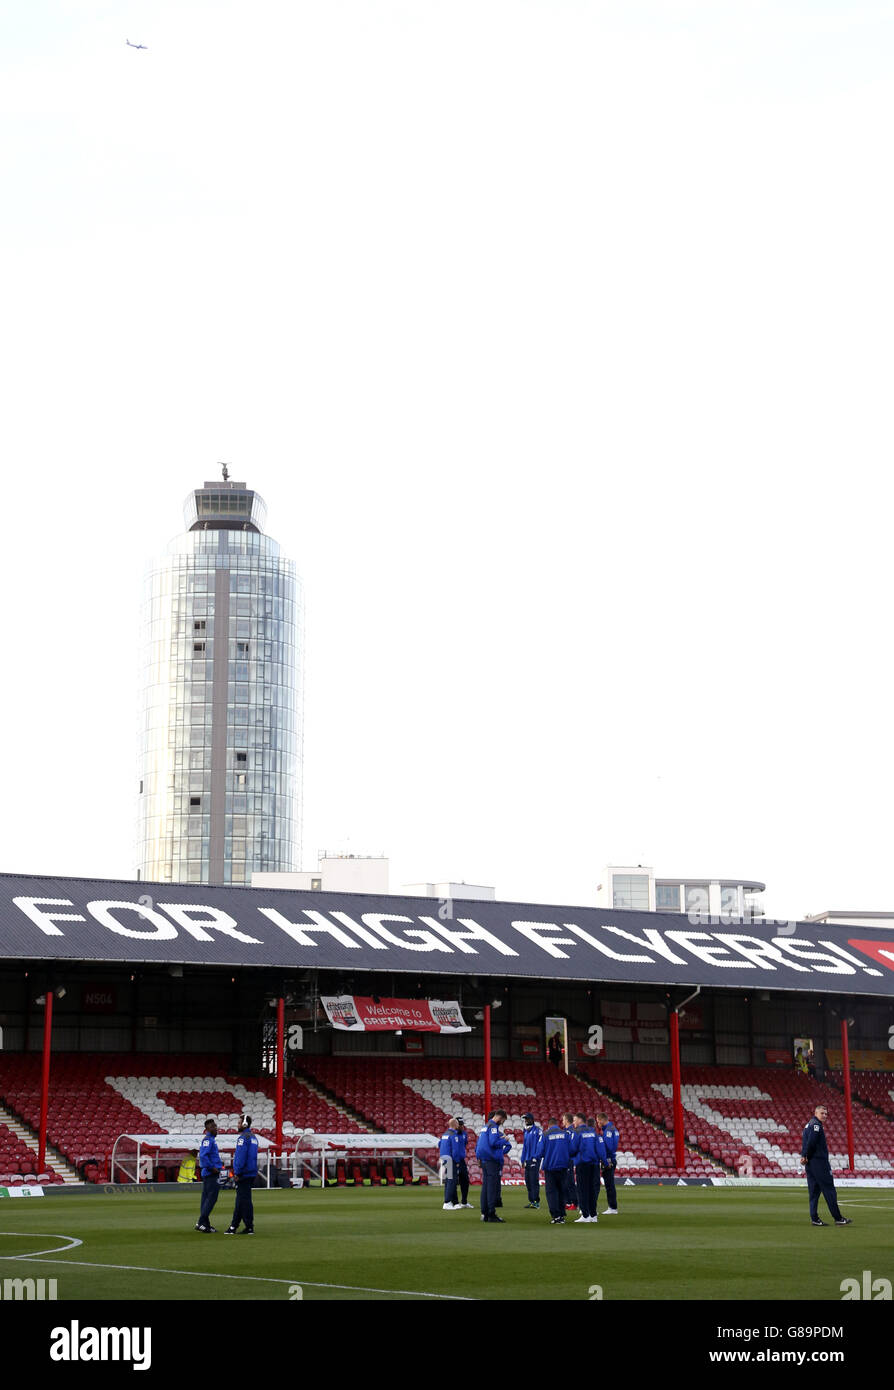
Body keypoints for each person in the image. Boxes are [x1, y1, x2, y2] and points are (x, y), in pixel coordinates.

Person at [801, 1104, 852, 1227]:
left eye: (826, 1113)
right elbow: (811, 1142)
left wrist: (804, 1156)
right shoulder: (816, 1125)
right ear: (816, 1113)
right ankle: (838, 1218)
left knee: (813, 1192)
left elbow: (805, 1142)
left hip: (810, 1163)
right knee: (829, 1190)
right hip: (819, 1162)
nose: (824, 1115)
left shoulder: (808, 1124)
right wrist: (806, 1155)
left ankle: (814, 1218)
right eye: (822, 1113)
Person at [475, 1110, 511, 1222]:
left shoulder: (485, 1126)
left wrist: (479, 1158)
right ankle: (491, 1213)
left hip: (485, 1160)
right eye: (503, 1120)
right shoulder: (493, 1127)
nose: (502, 1123)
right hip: (491, 1161)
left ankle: (484, 1213)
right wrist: (504, 1140)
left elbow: (479, 1145)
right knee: (491, 1187)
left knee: (485, 1187)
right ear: (500, 1117)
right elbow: (493, 1143)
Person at [226, 1115, 259, 1234]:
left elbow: (240, 1157)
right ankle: (234, 1226)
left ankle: (248, 1226)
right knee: (242, 1200)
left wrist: (237, 1172)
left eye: (239, 1123)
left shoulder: (242, 1138)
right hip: (251, 1172)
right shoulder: (254, 1137)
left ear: (244, 1124)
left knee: (243, 1201)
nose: (237, 1125)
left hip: (243, 1173)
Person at [570, 1113, 604, 1223]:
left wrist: (571, 1156)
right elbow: (599, 1148)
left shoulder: (577, 1132)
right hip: (594, 1165)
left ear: (580, 1120)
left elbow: (572, 1148)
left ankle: (585, 1215)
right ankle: (593, 1215)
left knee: (582, 1190)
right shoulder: (593, 1132)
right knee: (592, 1190)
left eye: (574, 1120)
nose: (573, 1122)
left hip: (582, 1164)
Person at [540, 1117, 572, 1223]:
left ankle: (556, 1216)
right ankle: (562, 1214)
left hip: (550, 1167)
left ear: (549, 1125)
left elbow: (539, 1152)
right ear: (557, 1124)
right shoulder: (565, 1134)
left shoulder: (545, 1134)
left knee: (551, 1192)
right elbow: (571, 1150)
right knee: (561, 1191)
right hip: (563, 1167)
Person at [195, 1118, 222, 1232]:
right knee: (211, 1198)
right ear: (207, 1129)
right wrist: (212, 1168)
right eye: (212, 1127)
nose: (215, 1128)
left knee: (206, 1199)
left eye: (215, 1126)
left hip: (209, 1173)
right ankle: (201, 1222)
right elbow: (203, 1156)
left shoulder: (210, 1140)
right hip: (211, 1174)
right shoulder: (208, 1140)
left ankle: (205, 1224)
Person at [597, 1112, 620, 1214]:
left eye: (598, 1121)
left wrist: (604, 1157)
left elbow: (608, 1146)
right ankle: (612, 1206)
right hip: (612, 1158)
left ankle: (612, 1207)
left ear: (602, 1120)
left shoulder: (608, 1131)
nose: (598, 1124)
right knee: (609, 1184)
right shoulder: (613, 1129)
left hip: (609, 1159)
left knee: (609, 1184)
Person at [521, 1113, 542, 1209]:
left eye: (527, 1119)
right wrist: (522, 1159)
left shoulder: (538, 1131)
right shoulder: (526, 1132)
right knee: (528, 1181)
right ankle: (531, 1201)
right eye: (525, 1119)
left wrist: (536, 1157)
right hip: (527, 1160)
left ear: (532, 1120)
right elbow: (525, 1147)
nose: (526, 1120)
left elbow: (540, 1145)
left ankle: (536, 1202)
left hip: (534, 1159)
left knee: (534, 1181)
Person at [439, 1117, 460, 1209]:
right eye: (458, 1123)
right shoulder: (453, 1135)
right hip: (451, 1159)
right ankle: (447, 1202)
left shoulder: (445, 1134)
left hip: (444, 1158)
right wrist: (457, 1161)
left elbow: (440, 1145)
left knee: (449, 1181)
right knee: (451, 1181)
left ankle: (451, 1202)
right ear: (455, 1124)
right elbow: (455, 1150)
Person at [452, 1118, 472, 1208]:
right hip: (452, 1161)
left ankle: (464, 1202)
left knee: (465, 1181)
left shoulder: (464, 1133)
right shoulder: (451, 1134)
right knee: (453, 1182)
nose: (462, 1126)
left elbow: (464, 1145)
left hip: (461, 1161)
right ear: (456, 1125)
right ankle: (455, 1202)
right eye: (460, 1125)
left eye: (463, 1124)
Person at [561, 1111, 578, 1210]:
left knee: (570, 1182)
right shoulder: (567, 1131)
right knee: (565, 1182)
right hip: (565, 1159)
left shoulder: (571, 1132)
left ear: (567, 1120)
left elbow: (571, 1147)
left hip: (569, 1159)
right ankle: (567, 1202)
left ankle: (574, 1203)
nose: (562, 1121)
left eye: (563, 1119)